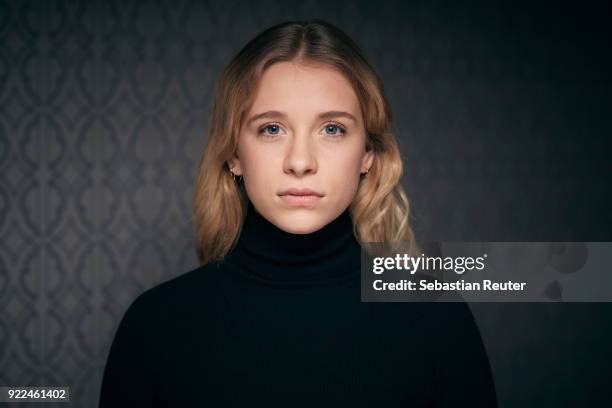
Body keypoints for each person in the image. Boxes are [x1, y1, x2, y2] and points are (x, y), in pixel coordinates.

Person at [99, 19, 497, 407]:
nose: (301, 161)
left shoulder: (438, 318)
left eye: (332, 129)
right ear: (234, 154)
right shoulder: (154, 327)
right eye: (272, 129)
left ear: (367, 155)